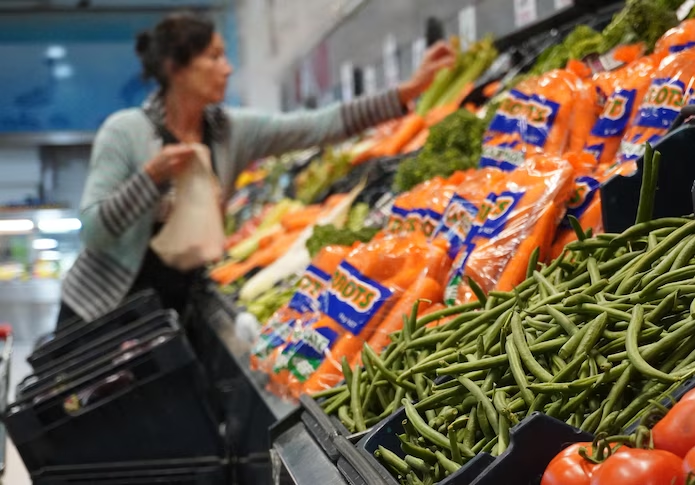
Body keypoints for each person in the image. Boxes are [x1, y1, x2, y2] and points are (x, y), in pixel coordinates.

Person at [57, 11, 455, 327]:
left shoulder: (228, 132)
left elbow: (319, 125)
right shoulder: (125, 132)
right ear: (176, 68)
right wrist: (148, 179)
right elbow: (93, 231)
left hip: (170, 309)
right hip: (102, 313)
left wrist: (406, 92)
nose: (227, 68)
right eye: (214, 57)